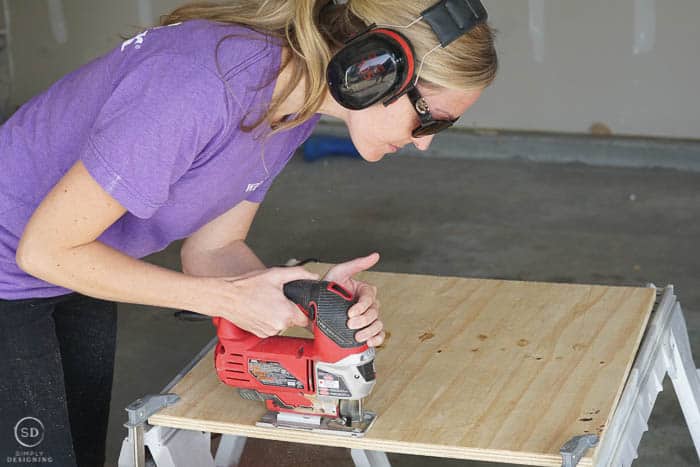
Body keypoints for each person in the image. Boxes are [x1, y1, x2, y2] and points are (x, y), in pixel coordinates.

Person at [0, 0, 497, 465]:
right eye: (430, 119)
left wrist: (307, 301)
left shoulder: (288, 106)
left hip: (73, 270)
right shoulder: (201, 86)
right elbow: (45, 250)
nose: (425, 144)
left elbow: (215, 249)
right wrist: (227, 298)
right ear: (373, 69)